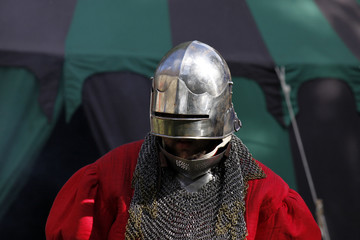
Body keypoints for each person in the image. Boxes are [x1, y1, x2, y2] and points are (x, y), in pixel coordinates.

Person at [46, 41, 321, 240]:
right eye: (174, 137)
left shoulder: (266, 196)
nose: (183, 147)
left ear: (221, 124)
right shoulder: (112, 176)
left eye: (192, 139)